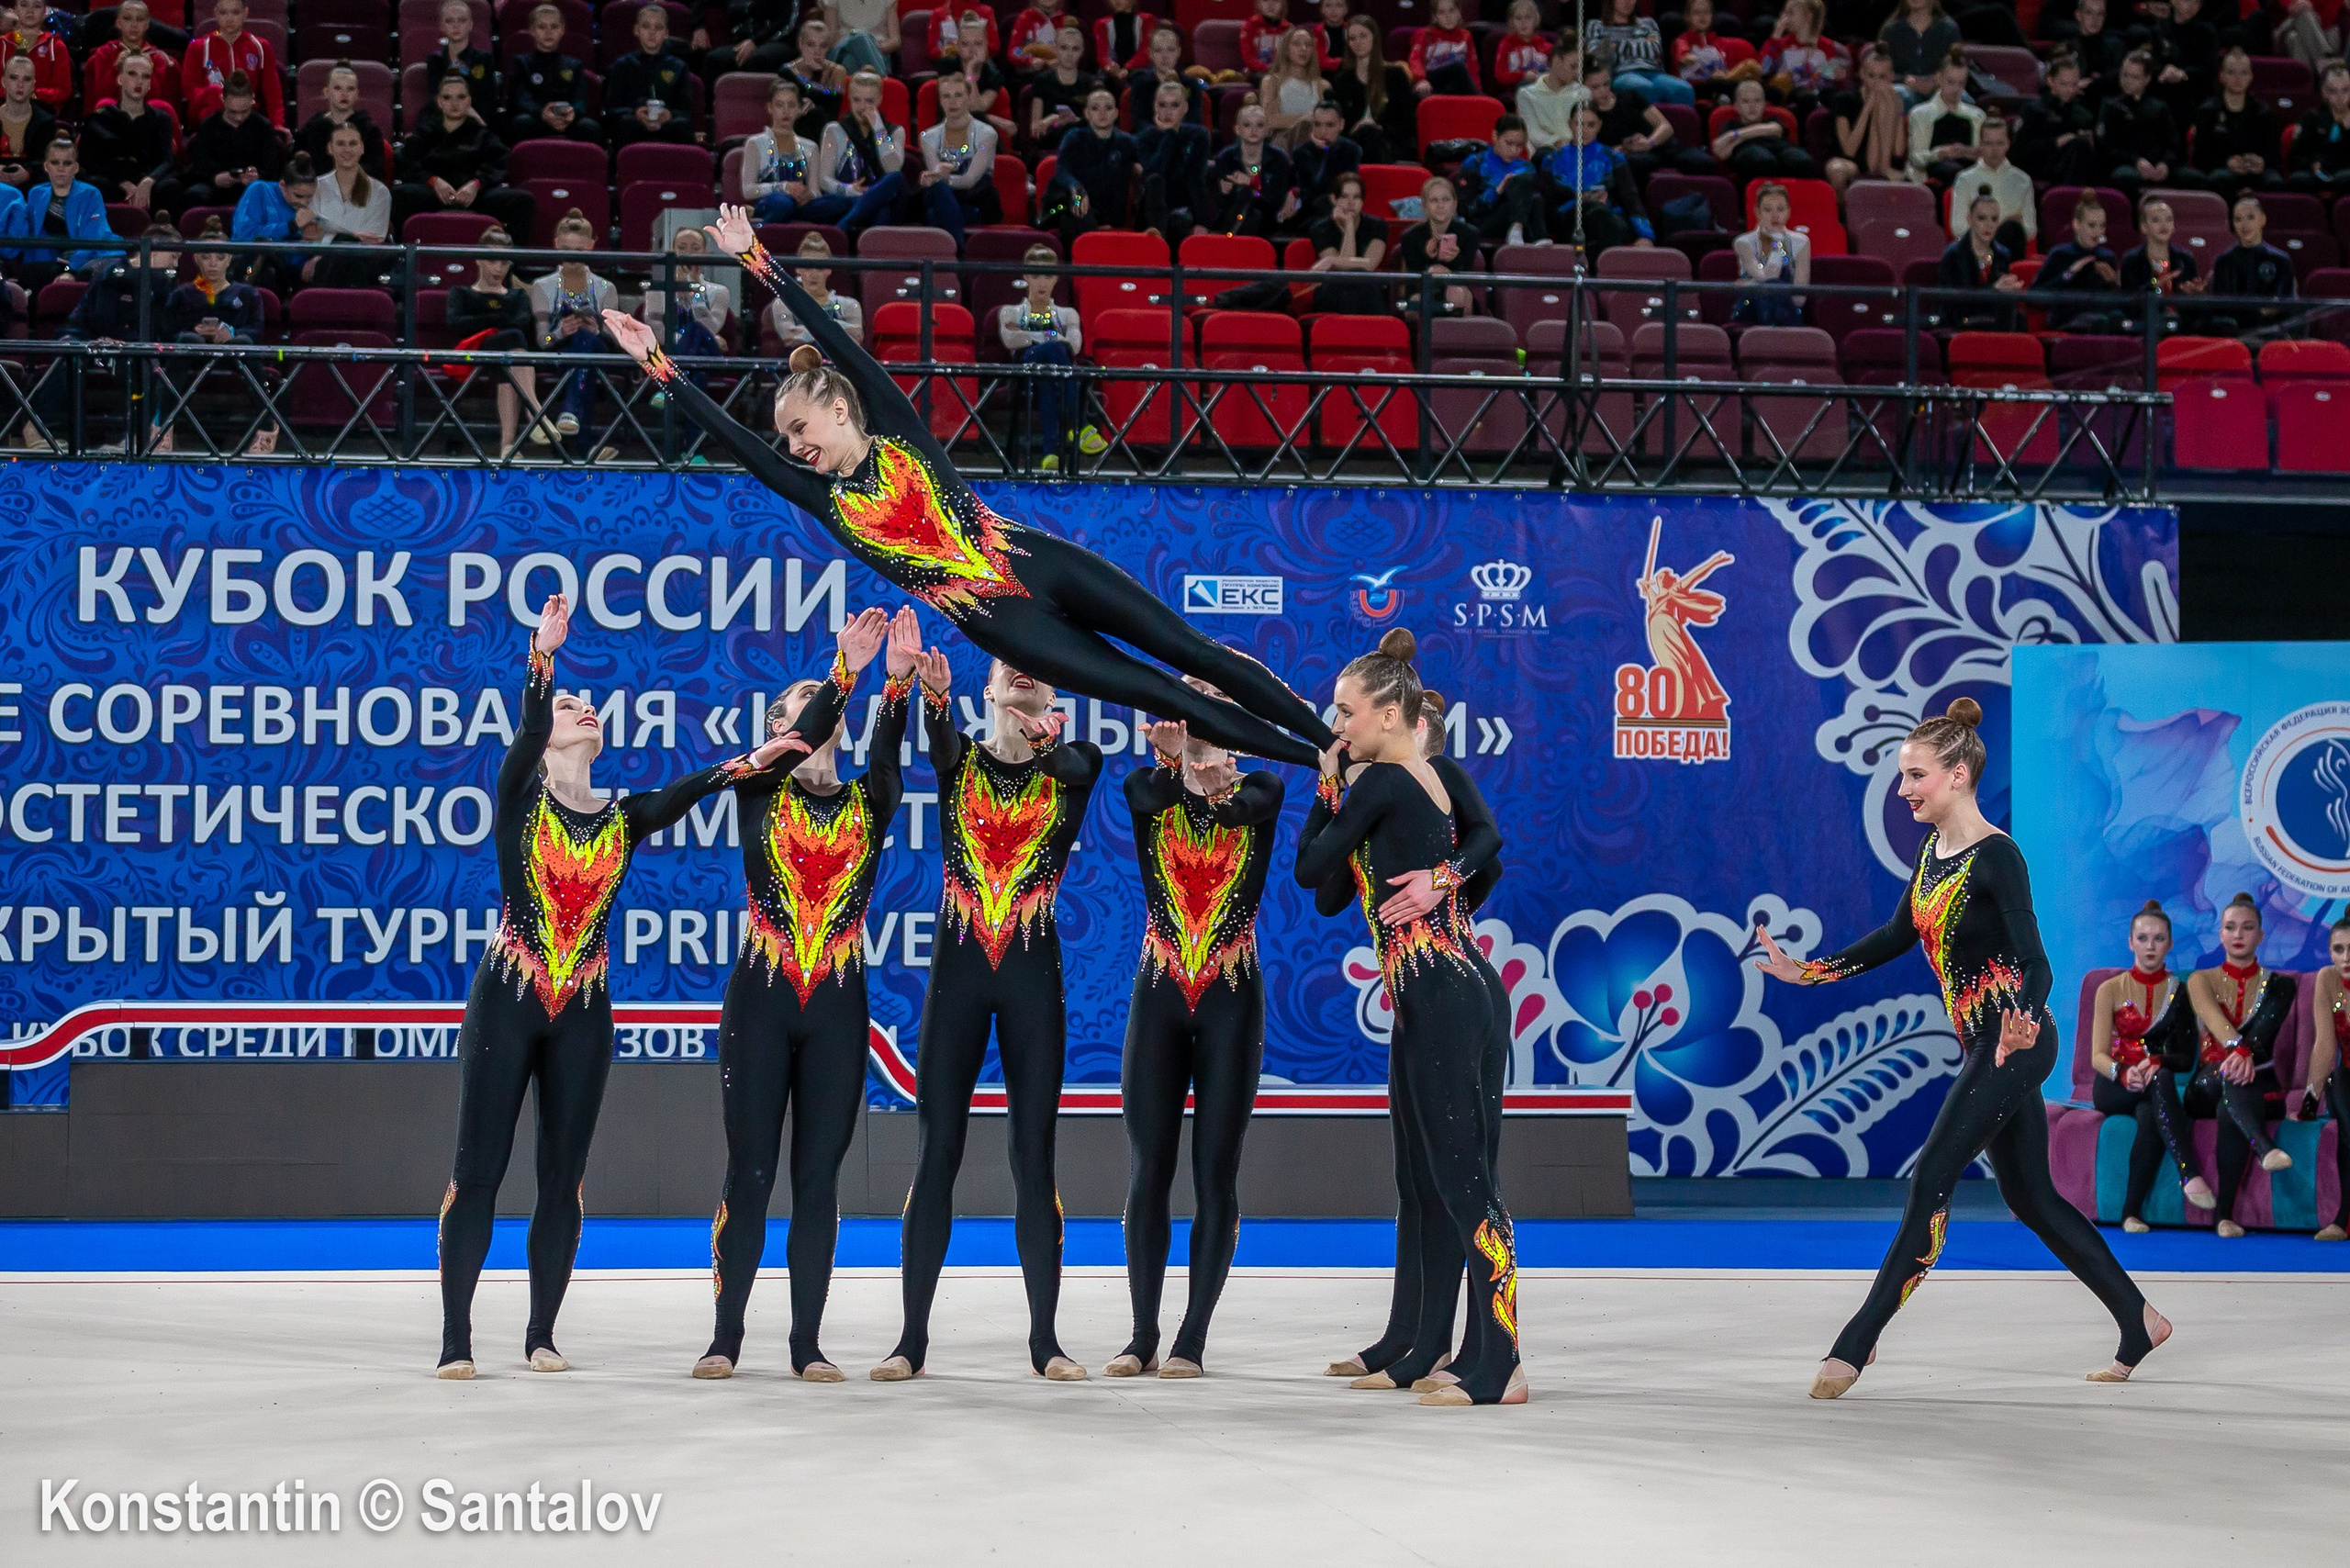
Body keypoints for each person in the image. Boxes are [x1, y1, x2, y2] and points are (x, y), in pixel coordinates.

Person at [609, 205, 1338, 763]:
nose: (795, 448)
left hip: (1037, 560)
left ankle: (1329, 739)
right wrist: (655, 363)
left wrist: (758, 260)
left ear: (839, 409)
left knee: (1195, 653)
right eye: (788, 441)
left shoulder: (896, 427)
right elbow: (737, 444)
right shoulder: (824, 499)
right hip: (1004, 624)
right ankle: (1324, 764)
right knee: (1161, 692)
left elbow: (835, 341)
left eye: (801, 429)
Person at [1754, 699, 2169, 1396]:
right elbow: (1896, 936)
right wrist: (1810, 971)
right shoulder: (1933, 851)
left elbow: (2037, 964)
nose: (1903, 790)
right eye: (1902, 776)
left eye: (1915, 775)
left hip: (2015, 1043)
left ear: (1957, 774)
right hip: (1985, 1043)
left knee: (1933, 1176)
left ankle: (1857, 1342)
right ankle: (2140, 1320)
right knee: (2031, 1197)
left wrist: (2023, 1019)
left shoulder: (1997, 855)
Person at [434, 594, 801, 1380]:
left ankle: (541, 1333)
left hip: (584, 1011)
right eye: (571, 707)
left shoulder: (622, 818)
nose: (585, 711)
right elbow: (527, 729)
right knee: (479, 1168)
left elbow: (687, 793)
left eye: (589, 706)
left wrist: (751, 762)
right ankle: (455, 1338)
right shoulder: (520, 793)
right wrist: (543, 659)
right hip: (508, 997)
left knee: (562, 1175)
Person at [1293, 629, 1524, 1408]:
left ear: (1391, 716)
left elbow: (1309, 867)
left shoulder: (1388, 782)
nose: (1338, 726)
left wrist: (1329, 787)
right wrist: (1443, 881)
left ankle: (1502, 1363)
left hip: (1442, 994)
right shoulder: (1422, 780)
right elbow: (1339, 888)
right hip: (1456, 988)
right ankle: (1435, 1344)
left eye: (1346, 713)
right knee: (1434, 1180)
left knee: (1465, 1183)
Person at [865, 644, 1103, 1383]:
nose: (1022, 669)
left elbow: (1076, 767)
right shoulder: (961, 762)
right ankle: (910, 1340)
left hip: (1033, 981)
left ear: (1054, 696)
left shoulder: (1074, 764)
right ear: (990, 692)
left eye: (1036, 666)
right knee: (937, 1151)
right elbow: (939, 745)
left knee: (1034, 1156)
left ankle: (1045, 1342)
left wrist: (1041, 737)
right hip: (959, 983)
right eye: (1006, 667)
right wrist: (932, 697)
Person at [699, 606, 913, 1381]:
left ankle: (805, 1342)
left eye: (826, 710)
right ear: (777, 729)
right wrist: (842, 674)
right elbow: (808, 726)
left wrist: (894, 685)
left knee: (818, 1179)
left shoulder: (868, 800)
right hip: (760, 1003)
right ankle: (726, 1336)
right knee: (752, 1171)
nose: (822, 716)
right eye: (805, 708)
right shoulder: (757, 786)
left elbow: (887, 752)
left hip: (836, 1009)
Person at [1112, 703, 1285, 1380]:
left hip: (1230, 1000)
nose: (1198, 712)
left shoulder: (1262, 789)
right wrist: (1172, 764)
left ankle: (1192, 1339)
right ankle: (1141, 1335)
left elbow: (1242, 810)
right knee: (1148, 1168)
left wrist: (1214, 788)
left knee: (1215, 1172)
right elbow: (1150, 796)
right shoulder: (1146, 787)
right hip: (1159, 996)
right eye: (1187, 698)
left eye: (1213, 698)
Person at [2085, 901, 2212, 1231]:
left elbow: (2185, 1058)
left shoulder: (2179, 992)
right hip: (2114, 1085)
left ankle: (2130, 1214)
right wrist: (2123, 1073)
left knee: (2152, 1112)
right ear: (2131, 943)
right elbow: (2097, 1056)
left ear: (2170, 944)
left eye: (2158, 939)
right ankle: (2189, 1171)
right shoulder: (2109, 989)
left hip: (2154, 1085)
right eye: (2143, 938)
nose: (2150, 946)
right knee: (2161, 1082)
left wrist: (2156, 1061)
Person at [2183, 891, 2297, 1237]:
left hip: (2261, 1086)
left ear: (2260, 936)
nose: (2238, 935)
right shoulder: (2200, 980)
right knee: (2227, 1081)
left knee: (2229, 1106)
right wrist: (2238, 1050)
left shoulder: (2281, 985)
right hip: (2205, 1085)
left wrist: (2246, 1054)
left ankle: (2224, 1217)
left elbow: (2264, 1032)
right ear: (2220, 934)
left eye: (2247, 928)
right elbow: (2213, 1018)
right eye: (2230, 927)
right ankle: (2264, 1148)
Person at [26, 219, 181, 452]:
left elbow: (161, 325)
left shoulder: (165, 283)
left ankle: (133, 437)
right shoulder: (113, 273)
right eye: (173, 257)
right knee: (70, 355)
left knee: (146, 362)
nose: (176, 264)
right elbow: (101, 319)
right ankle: (36, 428)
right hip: (85, 333)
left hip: (129, 343)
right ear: (155, 251)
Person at [164, 214, 279, 454]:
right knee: (186, 341)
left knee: (243, 342)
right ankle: (162, 427)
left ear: (229, 259)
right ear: (196, 259)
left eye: (220, 257)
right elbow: (167, 330)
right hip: (193, 355)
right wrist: (194, 331)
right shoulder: (181, 293)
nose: (213, 264)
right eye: (206, 257)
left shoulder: (247, 293)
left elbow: (256, 330)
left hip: (234, 355)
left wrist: (232, 333)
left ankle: (267, 426)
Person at [446, 225, 551, 456]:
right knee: (512, 340)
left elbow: (522, 324)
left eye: (504, 262)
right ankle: (536, 412)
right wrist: (499, 320)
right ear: (479, 259)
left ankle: (507, 446)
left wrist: (485, 322)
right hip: (473, 355)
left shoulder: (517, 296)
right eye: (493, 261)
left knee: (510, 358)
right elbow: (456, 325)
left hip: (507, 359)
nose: (499, 268)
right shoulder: (461, 293)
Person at [395, 76, 535, 241]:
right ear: (439, 102)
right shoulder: (424, 133)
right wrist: (433, 181)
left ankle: (510, 255)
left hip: (475, 195)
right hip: (433, 194)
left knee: (522, 201)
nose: (454, 103)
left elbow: (498, 164)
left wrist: (477, 184)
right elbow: (407, 162)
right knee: (400, 195)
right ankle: (403, 254)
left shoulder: (483, 134)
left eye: (461, 97)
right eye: (447, 97)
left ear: (469, 101)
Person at [996, 241, 1096, 468]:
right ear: (1026, 277)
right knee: (1055, 350)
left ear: (1056, 278)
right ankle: (1079, 426)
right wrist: (1052, 335)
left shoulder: (1067, 314)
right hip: (1023, 373)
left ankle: (1051, 455)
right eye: (1035, 275)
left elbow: (1074, 346)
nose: (1042, 282)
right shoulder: (1010, 311)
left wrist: (1030, 334)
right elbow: (1010, 340)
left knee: (1048, 375)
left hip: (1048, 375)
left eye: (1048, 276)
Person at [531, 208, 616, 442]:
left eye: (578, 252)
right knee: (583, 361)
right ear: (557, 244)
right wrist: (559, 333)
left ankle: (570, 412)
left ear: (590, 246)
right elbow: (543, 341)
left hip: (597, 349)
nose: (572, 258)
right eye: (567, 250)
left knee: (585, 341)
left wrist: (597, 331)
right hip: (560, 353)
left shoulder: (605, 288)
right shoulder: (542, 286)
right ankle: (585, 445)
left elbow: (614, 339)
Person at [2290, 914, 2350, 1241]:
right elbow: (2325, 1046)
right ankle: (2343, 1219)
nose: (2346, 958)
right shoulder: (2328, 979)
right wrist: (2310, 1104)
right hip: (2346, 1078)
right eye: (2338, 949)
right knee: (2339, 1082)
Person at [159, 67, 280, 220]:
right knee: (193, 195)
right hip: (214, 185)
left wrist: (257, 175)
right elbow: (198, 164)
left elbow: (272, 166)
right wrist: (214, 178)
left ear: (252, 99)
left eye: (244, 111)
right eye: (233, 112)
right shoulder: (208, 126)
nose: (239, 118)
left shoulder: (263, 127)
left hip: (252, 186)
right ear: (223, 99)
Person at [4, 138, 112, 295]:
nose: (61, 168)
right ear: (46, 166)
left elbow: (93, 237)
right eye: (55, 163)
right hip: (49, 262)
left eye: (67, 163)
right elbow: (31, 236)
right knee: (30, 275)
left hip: (85, 260)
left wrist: (71, 270)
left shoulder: (91, 194)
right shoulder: (36, 193)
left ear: (75, 168)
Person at [808, 70, 906, 236]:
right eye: (856, 100)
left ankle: (842, 228)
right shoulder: (834, 130)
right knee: (878, 210)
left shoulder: (896, 131)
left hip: (880, 200)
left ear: (880, 99)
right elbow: (824, 179)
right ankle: (857, 215)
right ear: (849, 98)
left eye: (869, 101)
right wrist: (850, 191)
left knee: (896, 179)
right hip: (844, 199)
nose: (862, 107)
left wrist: (879, 129)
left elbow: (892, 168)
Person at [1544, 102, 1652, 253]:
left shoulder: (1613, 158)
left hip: (1610, 218)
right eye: (1579, 124)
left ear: (1599, 125)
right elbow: (1549, 203)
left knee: (1599, 214)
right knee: (1590, 213)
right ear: (1570, 124)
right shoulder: (1552, 160)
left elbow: (1631, 198)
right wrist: (1581, 201)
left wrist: (1645, 235)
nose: (1584, 130)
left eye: (1591, 125)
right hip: (1570, 220)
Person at [77, 53, 177, 214]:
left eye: (145, 76)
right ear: (120, 79)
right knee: (92, 185)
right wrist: (122, 182)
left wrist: (148, 181)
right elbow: (89, 162)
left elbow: (166, 161)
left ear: (149, 84)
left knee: (171, 187)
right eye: (132, 74)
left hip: (148, 179)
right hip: (110, 180)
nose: (139, 81)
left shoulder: (161, 119)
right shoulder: (99, 118)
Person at [1584, 55, 1708, 184]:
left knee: (1704, 163)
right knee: (1630, 164)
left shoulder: (1630, 96)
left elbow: (1665, 126)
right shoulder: (1588, 114)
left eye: (1606, 84)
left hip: (1660, 146)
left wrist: (1649, 143)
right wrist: (1618, 150)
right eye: (1595, 87)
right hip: (1634, 157)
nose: (1603, 91)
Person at [2179, 49, 2280, 198]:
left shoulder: (2263, 112)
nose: (2238, 78)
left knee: (2274, 181)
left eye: (2244, 73)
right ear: (2222, 76)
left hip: (2254, 172)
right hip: (2222, 170)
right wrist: (2227, 162)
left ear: (2251, 76)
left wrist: (2262, 162)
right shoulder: (2208, 111)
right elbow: (2200, 156)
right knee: (2220, 178)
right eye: (2232, 72)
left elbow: (2274, 154)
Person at [918, 71, 1000, 250]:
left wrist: (941, 178)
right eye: (946, 96)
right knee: (938, 192)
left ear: (969, 98)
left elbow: (969, 180)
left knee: (934, 212)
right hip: (944, 198)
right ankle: (958, 250)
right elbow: (936, 174)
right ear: (940, 100)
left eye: (958, 95)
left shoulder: (987, 134)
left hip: (975, 200)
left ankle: (951, 252)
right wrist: (935, 178)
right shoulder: (928, 137)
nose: (952, 101)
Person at [506, 3, 602, 147]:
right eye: (542, 27)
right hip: (536, 118)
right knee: (521, 123)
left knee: (590, 128)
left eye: (554, 27)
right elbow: (521, 98)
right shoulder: (520, 63)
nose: (548, 32)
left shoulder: (575, 65)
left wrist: (572, 112)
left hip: (567, 120)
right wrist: (542, 113)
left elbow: (580, 99)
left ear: (562, 30)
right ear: (532, 30)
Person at [605, 3, 698, 151]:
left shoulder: (678, 67)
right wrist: (635, 113)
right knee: (624, 124)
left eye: (658, 28)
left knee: (682, 126)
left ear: (666, 33)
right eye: (646, 26)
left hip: (667, 124)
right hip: (634, 123)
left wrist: (669, 115)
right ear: (636, 30)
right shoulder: (622, 65)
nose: (652, 33)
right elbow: (612, 108)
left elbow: (685, 110)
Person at [641, 222, 732, 369]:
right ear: (673, 251)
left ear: (704, 253)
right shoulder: (656, 289)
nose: (688, 253)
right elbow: (655, 329)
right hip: (668, 353)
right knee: (697, 353)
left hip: (706, 355)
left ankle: (679, 381)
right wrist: (685, 340)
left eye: (695, 248)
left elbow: (710, 328)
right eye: (682, 248)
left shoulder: (720, 292)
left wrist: (694, 292)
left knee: (698, 336)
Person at [312, 120, 391, 286]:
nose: (347, 149)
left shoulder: (380, 192)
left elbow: (374, 239)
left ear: (362, 148)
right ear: (330, 148)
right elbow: (311, 233)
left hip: (362, 263)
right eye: (340, 144)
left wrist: (332, 231)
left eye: (353, 143)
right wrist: (355, 234)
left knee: (348, 249)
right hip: (322, 260)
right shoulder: (316, 187)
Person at [2204, 193, 2295, 334]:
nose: (2244, 225)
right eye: (2238, 219)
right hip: (2233, 331)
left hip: (2271, 330)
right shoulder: (2224, 260)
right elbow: (2221, 307)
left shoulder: (2281, 260)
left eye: (2250, 217)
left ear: (2263, 219)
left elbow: (2283, 302)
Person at [229, 151, 319, 295]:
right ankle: (239, 296)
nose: (304, 202)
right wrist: (291, 226)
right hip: (252, 266)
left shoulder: (317, 204)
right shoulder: (260, 190)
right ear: (282, 185)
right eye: (299, 196)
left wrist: (318, 252)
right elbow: (244, 235)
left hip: (293, 270)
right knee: (260, 257)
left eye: (310, 197)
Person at [2030, 193, 2121, 331]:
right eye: (2092, 225)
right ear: (2076, 224)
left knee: (2117, 318)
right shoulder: (2060, 254)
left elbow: (2116, 300)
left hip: (2100, 315)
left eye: (2102, 226)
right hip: (2067, 317)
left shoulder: (2108, 257)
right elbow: (2033, 297)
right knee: (2098, 321)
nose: (2098, 232)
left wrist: (2113, 282)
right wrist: (2069, 273)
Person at [183, 0, 282, 127]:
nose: (229, 19)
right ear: (215, 13)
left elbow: (273, 92)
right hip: (210, 117)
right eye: (223, 13)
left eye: (235, 12)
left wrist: (278, 124)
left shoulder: (261, 46)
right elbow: (190, 90)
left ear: (245, 13)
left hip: (248, 117)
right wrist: (212, 93)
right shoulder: (198, 47)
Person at [1935, 192, 2026, 328]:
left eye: (1994, 219)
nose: (1989, 225)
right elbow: (1955, 302)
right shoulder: (1953, 254)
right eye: (1982, 218)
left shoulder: (2003, 254)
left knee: (2019, 320)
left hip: (1992, 317)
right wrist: (1993, 290)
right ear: (1970, 219)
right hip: (1960, 319)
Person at [1203, 100, 1292, 241]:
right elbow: (1219, 203)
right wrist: (1225, 192)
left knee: (1252, 203)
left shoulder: (1279, 158)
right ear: (1237, 129)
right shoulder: (1225, 157)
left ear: (1268, 130)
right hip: (1233, 214)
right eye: (1247, 125)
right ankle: (1237, 243)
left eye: (1259, 125)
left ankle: (1230, 239)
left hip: (1267, 216)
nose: (1253, 130)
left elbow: (1276, 199)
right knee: (1248, 205)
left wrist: (1252, 183)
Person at [1134, 79, 1208, 241]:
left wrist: (1202, 221)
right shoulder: (1145, 138)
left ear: (1185, 108)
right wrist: (1170, 134)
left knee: (1177, 224)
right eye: (1162, 105)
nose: (1168, 112)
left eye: (1174, 105)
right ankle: (1158, 242)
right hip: (1152, 211)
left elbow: (1196, 179)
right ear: (1155, 107)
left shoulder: (1198, 135)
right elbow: (1154, 174)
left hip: (1183, 209)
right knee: (1155, 180)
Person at [2118, 196, 2205, 332]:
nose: (2164, 225)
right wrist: (2154, 286)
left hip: (2181, 324)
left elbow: (2192, 309)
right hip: (2145, 322)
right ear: (2143, 226)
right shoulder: (2132, 260)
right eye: (2156, 220)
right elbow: (2129, 303)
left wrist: (2195, 294)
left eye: (2168, 220)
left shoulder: (2185, 259)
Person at [1946, 116, 2031, 255]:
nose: (1994, 149)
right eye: (1989, 143)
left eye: (1999, 143)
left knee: (2011, 230)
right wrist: (1999, 228)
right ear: (1980, 145)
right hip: (1974, 252)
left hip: (2011, 250)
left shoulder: (2023, 180)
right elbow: (1958, 227)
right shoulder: (1965, 179)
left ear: (2007, 144)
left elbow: (2031, 228)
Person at [2096, 50, 2176, 199]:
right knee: (2125, 177)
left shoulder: (2160, 108)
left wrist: (2165, 163)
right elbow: (2106, 147)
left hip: (2156, 164)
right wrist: (2135, 161)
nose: (2127, 81)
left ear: (2147, 79)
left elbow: (2172, 144)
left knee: (2192, 178)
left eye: (2134, 77)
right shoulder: (2110, 106)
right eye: (2125, 75)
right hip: (2124, 164)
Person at [1307, 169, 1387, 314]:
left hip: (1366, 290)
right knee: (1351, 279)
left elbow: (1370, 265)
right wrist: (1349, 226)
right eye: (1345, 197)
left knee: (1360, 276)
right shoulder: (1320, 229)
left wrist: (1331, 260)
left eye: (1356, 197)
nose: (1351, 203)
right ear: (1334, 199)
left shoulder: (1378, 226)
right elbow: (1343, 273)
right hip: (1332, 292)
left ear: (1362, 201)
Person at [2015, 49, 2098, 186]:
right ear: (2050, 80)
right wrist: (2056, 142)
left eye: (2074, 84)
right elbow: (2018, 151)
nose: (2070, 90)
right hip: (2040, 167)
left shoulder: (2083, 115)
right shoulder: (2033, 110)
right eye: (2064, 84)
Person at [84, 1, 180, 119]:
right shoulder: (105, 53)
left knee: (158, 105)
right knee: (105, 104)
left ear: (147, 25)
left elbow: (154, 96)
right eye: (127, 19)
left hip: (148, 120)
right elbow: (103, 94)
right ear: (118, 23)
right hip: (113, 119)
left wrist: (147, 71)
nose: (134, 25)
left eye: (139, 19)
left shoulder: (156, 57)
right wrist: (116, 68)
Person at [767, 231, 863, 350]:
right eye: (808, 267)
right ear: (798, 269)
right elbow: (790, 337)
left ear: (828, 270)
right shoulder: (784, 303)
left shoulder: (850, 305)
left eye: (819, 267)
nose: (814, 274)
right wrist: (839, 329)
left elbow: (856, 337)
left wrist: (806, 332)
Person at [1714, 77, 1818, 184]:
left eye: (1757, 101)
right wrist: (1745, 135)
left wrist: (1737, 135)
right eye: (1745, 101)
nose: (1752, 106)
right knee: (1763, 160)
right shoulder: (1730, 124)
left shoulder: (1772, 120)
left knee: (1803, 161)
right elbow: (1721, 152)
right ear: (1737, 106)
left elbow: (1776, 129)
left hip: (1781, 149)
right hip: (1751, 155)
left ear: (1764, 104)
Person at [1906, 47, 1986, 185]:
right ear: (1938, 78)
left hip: (1970, 177)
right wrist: (1940, 153)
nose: (1956, 89)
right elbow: (1916, 158)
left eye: (1961, 83)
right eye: (1951, 82)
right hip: (1930, 177)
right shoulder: (1920, 114)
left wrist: (1967, 152)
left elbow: (1984, 157)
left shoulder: (1977, 116)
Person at [297, 63, 389, 183]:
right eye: (337, 88)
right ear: (326, 92)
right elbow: (298, 167)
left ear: (356, 94)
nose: (344, 94)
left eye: (350, 89)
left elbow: (376, 171)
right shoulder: (313, 128)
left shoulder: (369, 130)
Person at [1585, 0, 1690, 106]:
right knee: (1643, 87)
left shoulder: (1648, 23)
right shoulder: (1596, 25)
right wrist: (1642, 44)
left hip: (1654, 72)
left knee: (1683, 89)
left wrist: (1617, 46)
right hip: (1621, 73)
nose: (1627, 2)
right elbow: (1596, 53)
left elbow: (1654, 49)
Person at [1732, 181, 1808, 325]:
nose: (1775, 215)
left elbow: (1799, 298)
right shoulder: (1743, 242)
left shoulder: (1802, 242)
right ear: (1757, 212)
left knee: (1777, 294)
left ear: (1789, 211)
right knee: (1773, 286)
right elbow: (1767, 277)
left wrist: (1749, 284)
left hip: (1788, 309)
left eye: (1780, 209)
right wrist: (1776, 244)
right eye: (1768, 210)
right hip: (1752, 307)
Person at [1761, 0, 1850, 122]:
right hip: (1787, 98)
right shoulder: (1779, 44)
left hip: (1818, 100)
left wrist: (1840, 77)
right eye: (1783, 12)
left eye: (1790, 13)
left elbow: (1840, 87)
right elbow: (1763, 70)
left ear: (1808, 16)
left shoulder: (1830, 48)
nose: (1783, 18)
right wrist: (1775, 38)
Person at [1400, 174, 1475, 315]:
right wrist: (1427, 257)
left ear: (1454, 203)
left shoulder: (1469, 234)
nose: (1440, 206)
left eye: (1446, 200)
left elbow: (1466, 273)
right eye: (1434, 200)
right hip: (1422, 291)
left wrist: (1454, 260)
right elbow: (1412, 279)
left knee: (1457, 293)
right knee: (1418, 299)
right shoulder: (1410, 237)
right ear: (1424, 205)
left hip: (1456, 290)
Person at [742, 78, 813, 224]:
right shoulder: (755, 143)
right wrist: (784, 187)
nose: (786, 111)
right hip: (771, 202)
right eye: (779, 105)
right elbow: (748, 190)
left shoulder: (810, 147)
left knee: (838, 203)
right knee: (783, 204)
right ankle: (759, 233)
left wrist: (809, 195)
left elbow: (815, 190)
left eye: (791, 105)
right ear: (770, 108)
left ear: (799, 109)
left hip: (801, 205)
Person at [945, 13, 1018, 144]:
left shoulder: (994, 75)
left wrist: (970, 71)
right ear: (958, 47)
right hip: (949, 133)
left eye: (978, 44)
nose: (972, 50)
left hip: (981, 138)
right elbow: (951, 109)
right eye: (965, 44)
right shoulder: (947, 66)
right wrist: (994, 119)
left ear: (986, 46)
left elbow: (976, 109)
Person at [420, 0, 498, 123]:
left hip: (478, 119)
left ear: (470, 24)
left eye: (462, 20)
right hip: (444, 119)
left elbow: (487, 99)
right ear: (441, 26)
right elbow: (436, 97)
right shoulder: (435, 60)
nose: (455, 26)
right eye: (449, 21)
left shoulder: (484, 59)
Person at [700, 0, 800, 93]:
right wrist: (699, 27)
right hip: (744, 41)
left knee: (757, 59)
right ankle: (713, 105)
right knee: (714, 59)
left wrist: (755, 41)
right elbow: (733, 8)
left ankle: (754, 103)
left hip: (780, 41)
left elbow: (787, 22)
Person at [1026, 19, 1097, 149]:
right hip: (1051, 141)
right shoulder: (1042, 81)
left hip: (1084, 141)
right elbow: (1035, 128)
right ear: (1055, 50)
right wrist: (1054, 121)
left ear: (1082, 51)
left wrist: (1073, 121)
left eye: (1075, 49)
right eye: (1064, 48)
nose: (1069, 55)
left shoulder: (1091, 83)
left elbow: (1098, 123)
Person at [1878, 0, 1961, 107]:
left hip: (1940, 87)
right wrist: (1904, 79)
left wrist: (1936, 82)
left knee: (1962, 97)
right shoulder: (1891, 30)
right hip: (1904, 87)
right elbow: (1880, 69)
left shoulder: (1948, 29)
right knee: (1899, 94)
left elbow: (1957, 66)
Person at [2288, 62, 2350, 198]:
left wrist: (2347, 131)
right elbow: (2295, 156)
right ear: (2324, 92)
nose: (2340, 97)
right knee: (2298, 179)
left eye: (2345, 90)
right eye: (2333, 91)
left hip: (2345, 172)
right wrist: (2311, 165)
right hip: (2315, 173)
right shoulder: (2311, 117)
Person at [1517, 38, 1588, 157]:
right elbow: (1532, 131)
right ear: (1556, 61)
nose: (1577, 73)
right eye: (1573, 66)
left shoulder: (1583, 93)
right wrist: (1556, 142)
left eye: (1579, 68)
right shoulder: (1526, 94)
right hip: (1546, 153)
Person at [0, 56, 58, 195]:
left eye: (26, 79)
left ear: (33, 85)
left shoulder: (45, 122)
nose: (20, 85)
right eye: (14, 78)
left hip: (32, 186)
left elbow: (51, 161)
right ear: (3, 82)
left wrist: (28, 173)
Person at [781, 17, 849, 136]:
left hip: (827, 131)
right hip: (796, 130)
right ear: (800, 43)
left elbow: (834, 108)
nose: (817, 51)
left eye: (823, 46)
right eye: (811, 45)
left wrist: (817, 75)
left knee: (816, 115)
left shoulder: (837, 71)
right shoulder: (787, 72)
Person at [0, 2, 72, 111]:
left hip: (43, 113)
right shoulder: (2, 44)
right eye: (24, 5)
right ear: (15, 10)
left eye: (37, 6)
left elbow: (63, 91)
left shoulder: (56, 46)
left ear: (44, 11)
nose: (30, 11)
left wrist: (33, 95)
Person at [1262, 27, 1326, 146]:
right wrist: (1307, 119)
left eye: (1308, 45)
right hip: (1284, 141)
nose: (1303, 49)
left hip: (1316, 141)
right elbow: (1271, 120)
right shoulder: (1272, 82)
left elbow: (1327, 121)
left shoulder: (1322, 86)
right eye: (1297, 44)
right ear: (1286, 49)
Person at [826, 0, 900, 77]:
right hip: (843, 49)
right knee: (859, 37)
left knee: (850, 61)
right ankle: (881, 80)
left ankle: (878, 79)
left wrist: (870, 47)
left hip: (877, 53)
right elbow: (831, 39)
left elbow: (895, 40)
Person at [1494, 0, 1552, 95]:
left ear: (1536, 20)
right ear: (1511, 22)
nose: (1523, 23)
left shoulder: (1545, 46)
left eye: (1528, 17)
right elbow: (1500, 75)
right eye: (1518, 18)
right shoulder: (1506, 45)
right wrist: (1523, 75)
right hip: (1515, 92)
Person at [1237, 0, 1292, 79]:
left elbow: (1291, 57)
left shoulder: (1288, 29)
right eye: (1265, 0)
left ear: (1283, 4)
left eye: (1276, 1)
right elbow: (1248, 57)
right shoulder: (1250, 26)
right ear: (1258, 3)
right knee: (1268, 79)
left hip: (1282, 71)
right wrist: (1267, 68)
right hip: (1256, 71)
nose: (1270, 4)